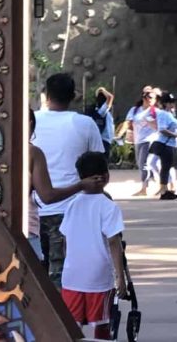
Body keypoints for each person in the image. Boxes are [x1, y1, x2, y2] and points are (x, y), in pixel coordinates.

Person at [33, 73, 105, 288]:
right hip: (69, 210)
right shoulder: (84, 124)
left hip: (31, 211)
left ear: (45, 94)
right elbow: (98, 164)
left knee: (34, 275)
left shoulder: (30, 121)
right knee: (61, 273)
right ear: (73, 96)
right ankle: (61, 320)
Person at [59, 151, 128, 339]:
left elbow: (65, 241)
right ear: (105, 176)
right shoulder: (109, 206)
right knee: (103, 325)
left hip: (72, 275)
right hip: (99, 278)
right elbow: (114, 242)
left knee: (72, 327)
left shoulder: (72, 205)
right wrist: (120, 278)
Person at [29, 110, 106, 258]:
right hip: (62, 211)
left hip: (8, 228)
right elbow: (47, 195)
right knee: (58, 272)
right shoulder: (32, 153)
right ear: (30, 123)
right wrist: (81, 185)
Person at [147, 92, 177, 201]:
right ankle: (163, 190)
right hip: (165, 144)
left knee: (167, 167)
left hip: (171, 144)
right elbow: (162, 129)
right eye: (170, 102)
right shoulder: (163, 114)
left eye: (172, 102)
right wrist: (175, 134)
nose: (172, 104)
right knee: (165, 167)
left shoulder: (170, 114)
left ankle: (165, 189)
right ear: (165, 104)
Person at [125, 87, 159, 196]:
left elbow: (159, 126)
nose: (151, 100)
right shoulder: (135, 110)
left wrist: (152, 122)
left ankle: (144, 188)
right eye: (149, 98)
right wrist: (128, 133)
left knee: (143, 163)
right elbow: (129, 122)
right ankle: (161, 180)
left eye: (153, 98)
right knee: (140, 164)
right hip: (138, 140)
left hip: (149, 140)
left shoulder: (155, 111)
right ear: (144, 98)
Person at [87, 88, 115, 159]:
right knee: (103, 165)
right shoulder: (102, 111)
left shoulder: (104, 112)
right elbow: (110, 97)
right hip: (103, 141)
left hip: (105, 141)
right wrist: (102, 90)